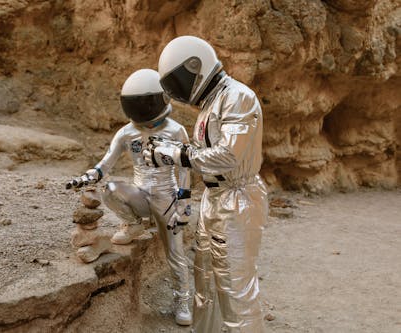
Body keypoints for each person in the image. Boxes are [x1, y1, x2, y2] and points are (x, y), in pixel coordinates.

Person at [143, 36, 268, 332]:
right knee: (206, 285)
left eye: (178, 81)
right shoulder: (212, 102)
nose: (178, 92)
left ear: (194, 67)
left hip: (237, 199)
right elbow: (203, 156)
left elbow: (228, 157)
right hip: (215, 199)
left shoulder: (238, 97)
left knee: (235, 290)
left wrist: (176, 154)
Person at [66, 69, 193, 326]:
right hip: (139, 195)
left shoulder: (176, 131)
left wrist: (183, 204)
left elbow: (185, 169)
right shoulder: (126, 133)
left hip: (166, 199)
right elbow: (106, 163)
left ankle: (184, 299)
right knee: (111, 190)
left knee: (175, 254)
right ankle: (134, 222)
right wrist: (88, 177)